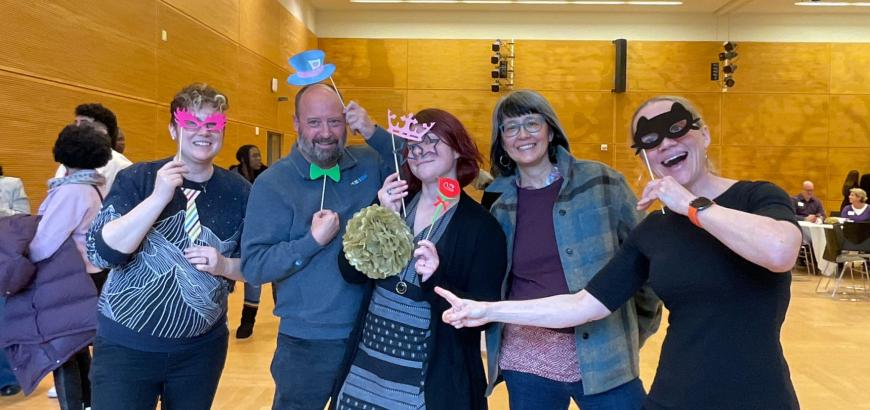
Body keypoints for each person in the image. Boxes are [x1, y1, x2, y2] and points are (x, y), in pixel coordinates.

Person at [438, 96, 802, 410]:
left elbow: (780, 250)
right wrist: (486, 309)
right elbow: (583, 304)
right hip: (674, 395)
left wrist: (690, 204)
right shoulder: (655, 230)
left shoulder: (757, 198)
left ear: (704, 134)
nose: (665, 144)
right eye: (650, 140)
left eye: (676, 128)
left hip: (755, 394)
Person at [474, 90, 661, 409]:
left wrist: (636, 326)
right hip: (526, 359)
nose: (523, 135)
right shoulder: (497, 201)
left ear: (550, 129)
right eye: (511, 127)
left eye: (532, 123)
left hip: (606, 355)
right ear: (501, 140)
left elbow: (647, 257)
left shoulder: (602, 182)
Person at [86, 83, 249, 409]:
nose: (203, 132)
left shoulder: (240, 191)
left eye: (213, 124)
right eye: (191, 123)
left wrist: (225, 266)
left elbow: (258, 264)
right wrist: (159, 197)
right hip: (125, 348)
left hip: (200, 352)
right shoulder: (139, 178)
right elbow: (101, 254)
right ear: (174, 129)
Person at [331, 109, 507, 409]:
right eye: (414, 144)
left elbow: (481, 318)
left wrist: (437, 279)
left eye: (434, 140)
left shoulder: (481, 227)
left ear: (457, 150)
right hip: (368, 369)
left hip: (431, 380)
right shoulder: (393, 202)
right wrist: (378, 218)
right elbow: (350, 272)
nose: (422, 149)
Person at [241, 83, 395, 409]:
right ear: (296, 123)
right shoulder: (273, 184)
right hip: (305, 344)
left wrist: (372, 131)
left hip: (369, 335)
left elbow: (414, 162)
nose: (326, 133)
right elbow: (254, 265)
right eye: (314, 122)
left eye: (335, 121)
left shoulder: (369, 163)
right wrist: (310, 243)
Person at [2, 123, 111, 408]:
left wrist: (18, 259)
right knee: (75, 350)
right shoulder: (92, 188)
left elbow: (44, 243)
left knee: (60, 351)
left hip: (69, 282)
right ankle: (88, 403)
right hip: (89, 278)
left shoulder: (72, 191)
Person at [229, 144, 270, 339]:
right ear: (244, 158)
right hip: (235, 234)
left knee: (253, 275)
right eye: (254, 155)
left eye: (259, 154)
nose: (258, 158)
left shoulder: (266, 176)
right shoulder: (232, 178)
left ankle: (248, 321)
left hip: (258, 234)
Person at [55, 103, 133, 196]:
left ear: (103, 131)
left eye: (84, 124)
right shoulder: (69, 160)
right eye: (75, 123)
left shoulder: (122, 166)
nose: (76, 129)